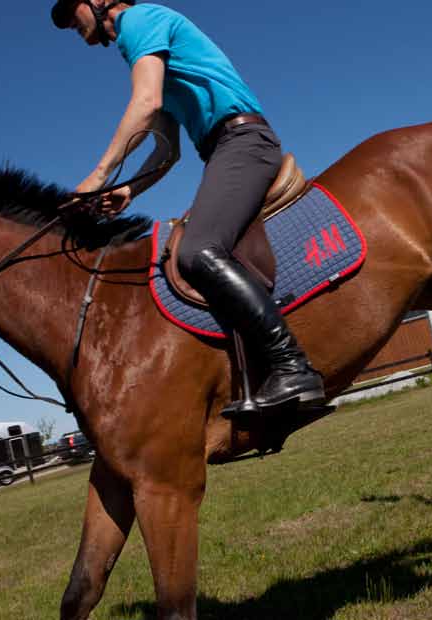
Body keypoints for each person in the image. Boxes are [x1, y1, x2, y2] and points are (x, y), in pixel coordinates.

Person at [51, 1, 325, 415]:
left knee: (198, 251)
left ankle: (292, 367)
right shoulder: (146, 48)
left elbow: (144, 103)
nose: (72, 24)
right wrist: (130, 190)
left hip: (243, 142)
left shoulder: (139, 21)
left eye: (73, 11)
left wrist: (99, 176)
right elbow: (168, 146)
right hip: (221, 150)